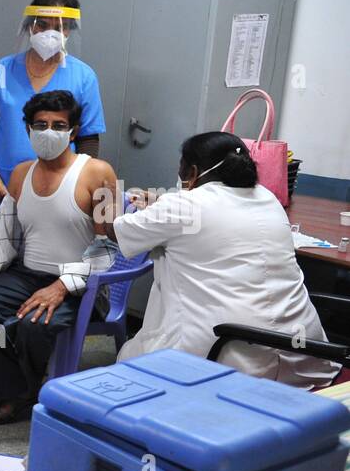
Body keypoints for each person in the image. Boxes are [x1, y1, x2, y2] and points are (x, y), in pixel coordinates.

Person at [105, 132, 338, 388]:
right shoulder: (268, 198)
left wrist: (95, 196)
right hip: (302, 355)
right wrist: (160, 202)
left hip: (227, 356)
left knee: (130, 369)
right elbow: (209, 213)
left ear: (192, 171)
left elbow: (116, 230)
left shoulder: (182, 206)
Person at [0, 0, 105, 383]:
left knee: (46, 268)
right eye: (44, 23)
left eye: (60, 26)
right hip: (5, 190)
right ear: (30, 25)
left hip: (58, 194)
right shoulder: (0, 71)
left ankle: (29, 360)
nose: (51, 31)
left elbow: (90, 136)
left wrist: (81, 180)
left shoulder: (82, 75)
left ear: (70, 30)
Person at [0, 90, 119, 424]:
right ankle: (15, 387)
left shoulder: (98, 174)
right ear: (28, 129)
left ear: (74, 132)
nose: (49, 132)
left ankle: (17, 393)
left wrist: (61, 287)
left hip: (81, 287)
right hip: (26, 276)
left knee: (34, 323)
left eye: (59, 125)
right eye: (41, 124)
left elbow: (107, 250)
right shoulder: (20, 174)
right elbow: (3, 235)